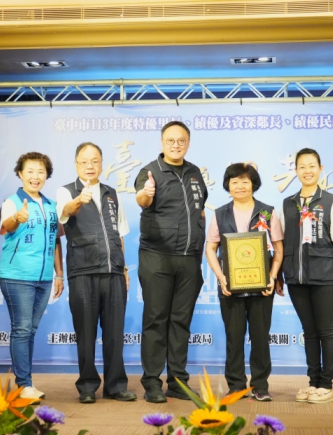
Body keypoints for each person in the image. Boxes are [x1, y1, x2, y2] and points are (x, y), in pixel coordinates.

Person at [134, 120, 208, 403]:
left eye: (181, 140)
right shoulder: (150, 172)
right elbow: (142, 199)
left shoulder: (194, 172)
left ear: (188, 143)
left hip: (189, 259)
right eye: (170, 141)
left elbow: (200, 210)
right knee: (156, 320)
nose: (176, 145)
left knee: (180, 322)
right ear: (162, 143)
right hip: (157, 257)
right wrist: (147, 194)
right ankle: (152, 382)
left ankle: (178, 382)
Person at [56, 142, 136, 404]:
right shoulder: (66, 191)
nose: (89, 166)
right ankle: (88, 386)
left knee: (114, 332)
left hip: (113, 272)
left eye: (95, 161)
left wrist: (124, 268)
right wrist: (78, 201)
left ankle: (116, 385)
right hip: (83, 271)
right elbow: (64, 215)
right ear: (76, 164)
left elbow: (119, 234)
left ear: (102, 163)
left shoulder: (112, 194)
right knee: (86, 332)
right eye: (84, 161)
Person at [205, 163, 284, 401]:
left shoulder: (267, 212)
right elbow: (210, 249)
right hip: (230, 287)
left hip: (262, 287)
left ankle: (260, 386)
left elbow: (278, 248)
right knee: (234, 337)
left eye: (245, 181)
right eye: (235, 181)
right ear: (228, 185)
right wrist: (221, 278)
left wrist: (272, 277)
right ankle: (236, 385)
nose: (240, 186)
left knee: (260, 337)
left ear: (254, 184)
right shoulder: (220, 213)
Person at [278, 148, 333, 404]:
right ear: (295, 170)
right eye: (302, 166)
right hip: (295, 278)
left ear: (320, 169)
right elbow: (281, 240)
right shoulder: (287, 203)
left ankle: (326, 385)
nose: (307, 171)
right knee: (308, 332)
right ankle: (313, 382)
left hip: (323, 276)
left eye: (312, 166)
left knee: (326, 330)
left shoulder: (331, 201)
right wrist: (279, 274)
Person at [0, 152, 64, 401]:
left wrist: (59, 274)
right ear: (20, 173)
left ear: (47, 175)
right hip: (17, 276)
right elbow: (7, 225)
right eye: (30, 171)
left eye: (41, 172)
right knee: (22, 329)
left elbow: (56, 240)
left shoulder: (51, 205)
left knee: (30, 330)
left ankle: (26, 383)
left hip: (44, 277)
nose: (35, 177)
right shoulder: (12, 201)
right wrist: (17, 217)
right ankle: (23, 385)